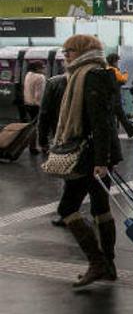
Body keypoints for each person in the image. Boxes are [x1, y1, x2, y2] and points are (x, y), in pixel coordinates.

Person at [52, 35, 122, 286]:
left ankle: (97, 262)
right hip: (95, 153)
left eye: (69, 50)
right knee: (100, 207)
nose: (65, 54)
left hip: (90, 155)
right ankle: (108, 265)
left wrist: (101, 161)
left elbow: (101, 122)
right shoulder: (89, 73)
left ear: (82, 51)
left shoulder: (90, 75)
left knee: (67, 208)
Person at [38, 70, 69, 227]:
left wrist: (42, 139)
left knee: (70, 177)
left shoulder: (54, 82)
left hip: (63, 136)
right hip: (93, 140)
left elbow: (44, 113)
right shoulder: (97, 79)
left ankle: (66, 214)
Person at [105, 53, 133, 138]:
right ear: (114, 61)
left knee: (117, 115)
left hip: (110, 97)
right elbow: (123, 80)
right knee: (121, 115)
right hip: (116, 97)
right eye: (117, 61)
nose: (118, 63)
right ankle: (131, 131)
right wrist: (126, 74)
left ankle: (130, 131)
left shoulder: (106, 69)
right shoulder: (114, 70)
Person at [23, 61, 47, 154]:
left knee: (33, 126)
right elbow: (39, 95)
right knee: (41, 126)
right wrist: (43, 107)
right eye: (43, 67)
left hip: (28, 103)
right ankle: (43, 146)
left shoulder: (28, 75)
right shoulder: (40, 77)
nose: (44, 69)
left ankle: (32, 146)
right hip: (36, 106)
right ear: (37, 68)